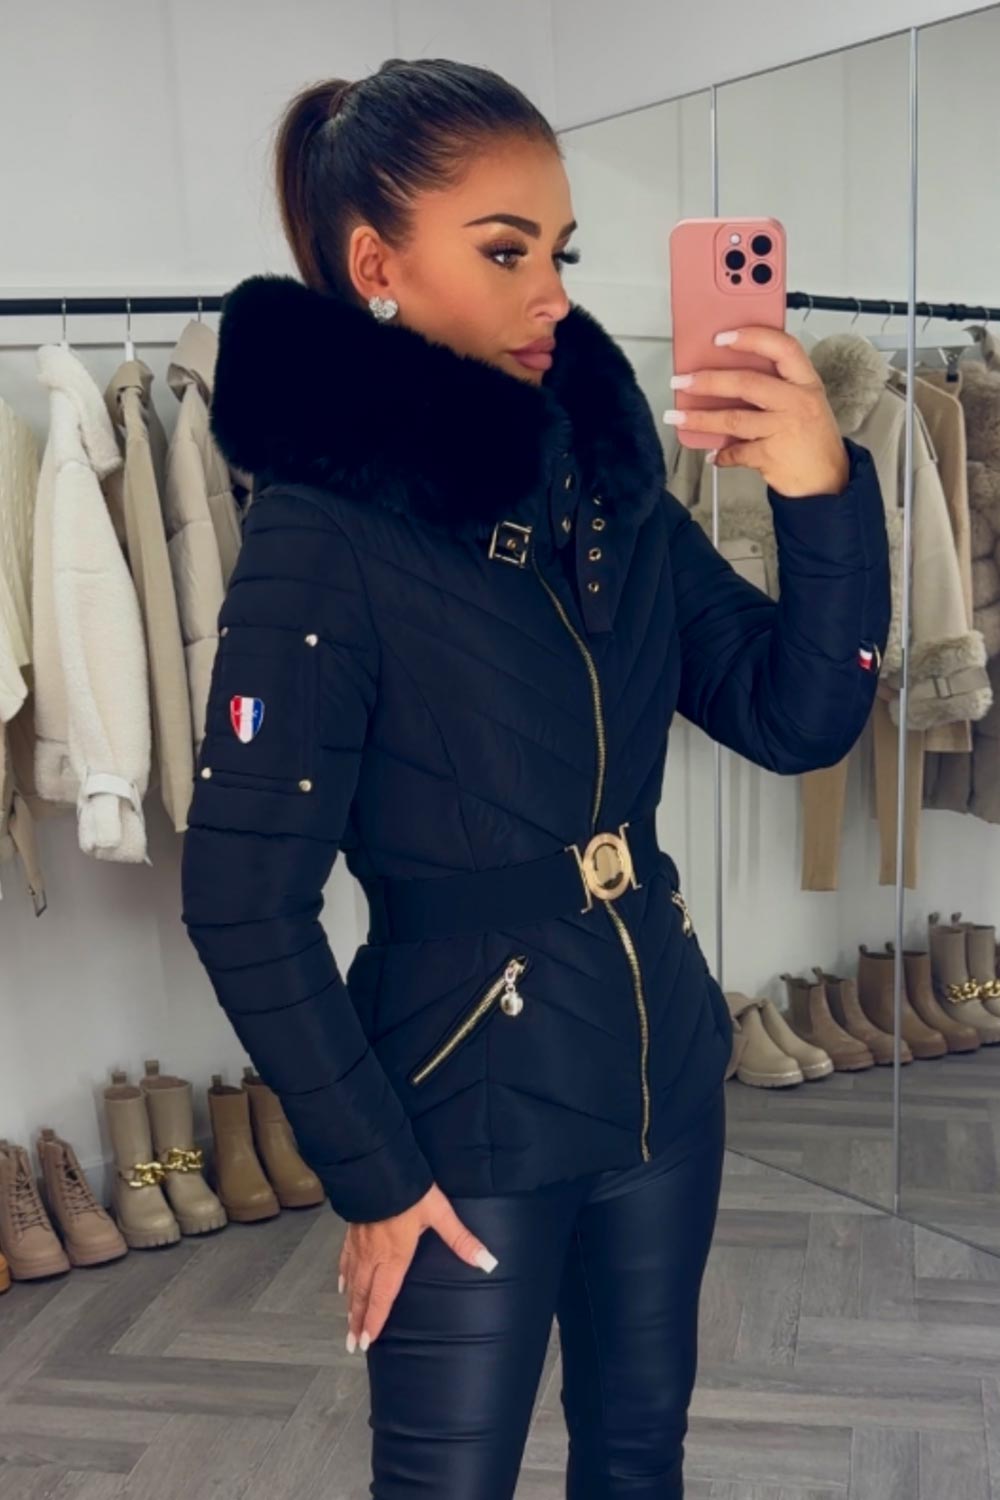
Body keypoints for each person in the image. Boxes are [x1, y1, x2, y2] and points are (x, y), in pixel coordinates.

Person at [180, 57, 891, 1499]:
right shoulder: (324, 532)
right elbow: (242, 899)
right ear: (377, 268)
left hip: (662, 1072)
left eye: (561, 252)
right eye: (506, 252)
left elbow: (796, 714)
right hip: (462, 1117)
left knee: (638, 1458)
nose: (552, 294)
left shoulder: (610, 494)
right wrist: (375, 1178)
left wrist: (819, 492)